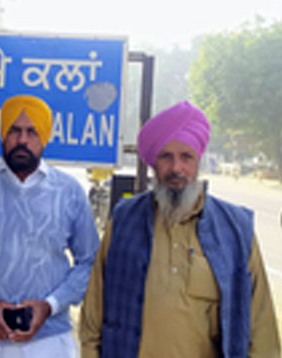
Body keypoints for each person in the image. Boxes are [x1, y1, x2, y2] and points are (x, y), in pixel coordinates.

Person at [79, 100, 281, 358]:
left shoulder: (235, 229)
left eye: (186, 157)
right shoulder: (125, 219)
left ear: (198, 162)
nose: (176, 168)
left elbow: (261, 328)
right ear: (154, 163)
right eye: (166, 157)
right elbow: (93, 314)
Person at [0, 95, 99, 357]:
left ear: (44, 137)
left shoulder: (68, 192)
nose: (22, 140)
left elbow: (90, 261)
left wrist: (50, 306)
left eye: (32, 132)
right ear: (3, 135)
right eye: (14, 130)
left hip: (49, 341)